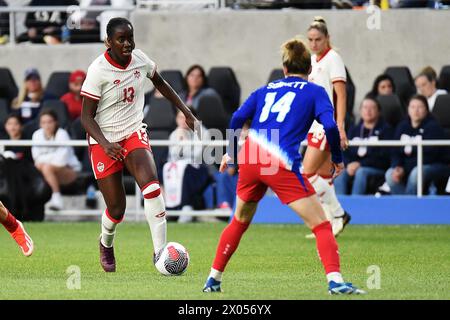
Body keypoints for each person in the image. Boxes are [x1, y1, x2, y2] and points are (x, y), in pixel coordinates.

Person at [203, 38, 365, 295]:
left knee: (239, 221)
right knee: (322, 224)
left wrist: (231, 154)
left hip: (251, 156)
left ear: (285, 69)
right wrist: (337, 158)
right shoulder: (314, 91)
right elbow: (331, 126)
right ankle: (335, 282)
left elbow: (236, 118)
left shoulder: (265, 89)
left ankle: (213, 279)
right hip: (277, 159)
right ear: (310, 69)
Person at [80, 17, 198, 272]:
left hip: (133, 132)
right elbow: (85, 117)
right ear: (108, 42)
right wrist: (105, 143)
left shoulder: (140, 59)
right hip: (104, 140)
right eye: (121, 39)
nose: (127, 44)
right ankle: (106, 243)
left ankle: (160, 254)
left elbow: (161, 83)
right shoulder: (98, 69)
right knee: (116, 209)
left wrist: (186, 112)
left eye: (130, 38)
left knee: (152, 188)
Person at [303, 17, 351, 237]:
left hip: (326, 124)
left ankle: (339, 214)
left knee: (306, 173)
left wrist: (339, 127)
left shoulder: (334, 58)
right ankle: (329, 222)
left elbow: (340, 95)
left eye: (318, 39)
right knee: (323, 176)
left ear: (327, 38)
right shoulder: (312, 60)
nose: (314, 43)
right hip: (314, 124)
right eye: (310, 39)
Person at [385, 95, 447, 194]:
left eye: (420, 107)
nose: (416, 110)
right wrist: (397, 166)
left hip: (433, 165)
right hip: (406, 166)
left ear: (426, 110)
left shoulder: (433, 127)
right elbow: (394, 151)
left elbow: (430, 156)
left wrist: (404, 169)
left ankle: (410, 206)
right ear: (408, 109)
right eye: (412, 107)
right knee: (390, 174)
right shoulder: (402, 126)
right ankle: (405, 203)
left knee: (416, 173)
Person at [334, 96, 393, 195]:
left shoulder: (386, 130)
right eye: (365, 107)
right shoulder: (354, 130)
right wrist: (349, 164)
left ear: (379, 111)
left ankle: (356, 205)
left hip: (375, 168)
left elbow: (384, 156)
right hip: (352, 166)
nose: (368, 111)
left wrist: (361, 164)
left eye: (372, 108)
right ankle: (341, 207)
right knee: (340, 173)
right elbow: (345, 151)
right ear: (360, 111)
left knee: (361, 172)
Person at [162, 108, 211, 222]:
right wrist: (180, 141)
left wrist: (183, 143)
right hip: (178, 167)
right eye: (180, 117)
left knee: (186, 170)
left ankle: (186, 207)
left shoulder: (202, 132)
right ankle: (169, 208)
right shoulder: (175, 133)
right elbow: (173, 156)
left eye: (185, 117)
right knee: (163, 170)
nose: (183, 120)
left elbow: (196, 156)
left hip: (199, 169)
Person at [32, 109, 81, 210]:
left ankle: (57, 197)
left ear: (56, 122)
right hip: (49, 172)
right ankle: (54, 197)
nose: (47, 125)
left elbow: (61, 161)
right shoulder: (36, 135)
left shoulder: (62, 134)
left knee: (46, 167)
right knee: (45, 168)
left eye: (50, 122)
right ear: (40, 124)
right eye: (44, 122)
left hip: (70, 170)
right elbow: (36, 158)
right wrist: (50, 158)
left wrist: (44, 159)